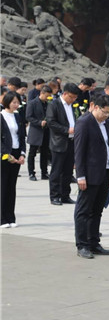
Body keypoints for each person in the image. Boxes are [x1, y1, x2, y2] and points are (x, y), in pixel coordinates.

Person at [73, 94, 109, 259]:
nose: (106, 116)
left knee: (97, 210)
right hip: (89, 175)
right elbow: (79, 151)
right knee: (84, 210)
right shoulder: (84, 123)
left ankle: (93, 242)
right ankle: (82, 244)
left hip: (104, 173)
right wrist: (80, 175)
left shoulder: (105, 124)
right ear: (95, 106)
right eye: (104, 112)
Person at [46, 83, 81, 205]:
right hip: (59, 142)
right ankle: (55, 196)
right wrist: (67, 130)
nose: (73, 100)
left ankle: (65, 195)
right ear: (65, 94)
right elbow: (51, 122)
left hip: (72, 142)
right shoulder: (54, 104)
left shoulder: (73, 106)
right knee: (56, 171)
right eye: (71, 97)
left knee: (68, 171)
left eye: (75, 98)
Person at [1, 91, 26, 228]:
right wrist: (6, 154)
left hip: (16, 152)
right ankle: (2, 218)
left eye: (18, 102)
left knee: (12, 186)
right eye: (14, 102)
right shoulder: (1, 116)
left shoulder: (18, 117)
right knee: (3, 186)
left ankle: (11, 216)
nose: (16, 105)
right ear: (7, 102)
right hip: (4, 154)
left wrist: (22, 153)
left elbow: (22, 137)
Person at [26, 85, 52, 181]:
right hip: (36, 131)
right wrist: (39, 122)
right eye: (47, 96)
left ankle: (44, 172)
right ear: (42, 93)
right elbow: (28, 117)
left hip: (46, 131)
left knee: (45, 153)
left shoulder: (49, 104)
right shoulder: (32, 103)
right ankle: (31, 173)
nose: (48, 98)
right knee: (32, 153)